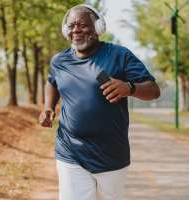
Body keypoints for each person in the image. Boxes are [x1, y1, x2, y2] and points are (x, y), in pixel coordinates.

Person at [38, 4, 160, 200]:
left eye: (83, 25)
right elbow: (51, 82)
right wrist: (48, 108)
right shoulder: (59, 61)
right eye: (71, 26)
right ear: (65, 30)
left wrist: (129, 88)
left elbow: (153, 90)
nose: (76, 30)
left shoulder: (120, 55)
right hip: (70, 152)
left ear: (98, 28)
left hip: (111, 156)